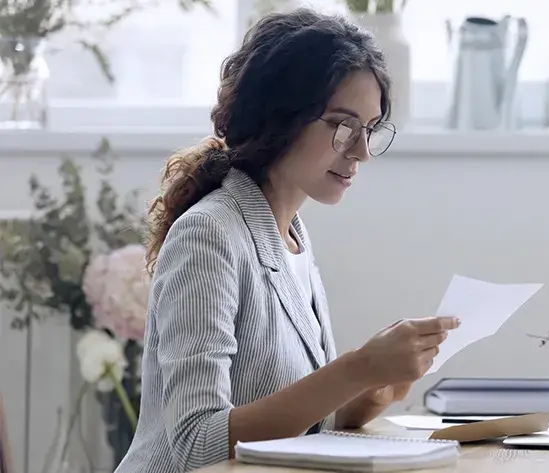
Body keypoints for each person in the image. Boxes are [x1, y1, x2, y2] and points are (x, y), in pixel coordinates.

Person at [114, 8, 460, 473]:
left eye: (370, 130)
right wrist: (357, 367)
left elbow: (297, 422)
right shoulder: (208, 236)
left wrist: (375, 386)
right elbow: (198, 446)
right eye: (342, 125)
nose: (361, 151)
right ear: (281, 116)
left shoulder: (292, 235)